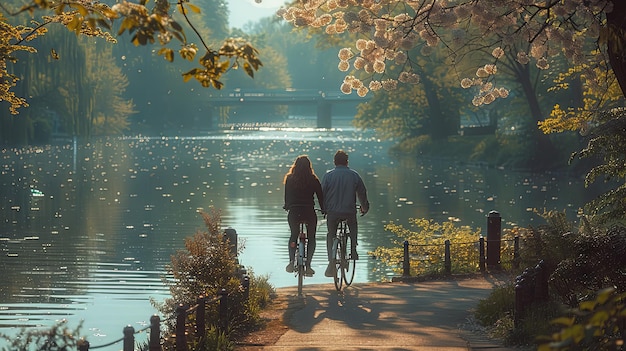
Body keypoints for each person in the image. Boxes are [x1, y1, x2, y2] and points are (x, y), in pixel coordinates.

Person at [321, 150, 370, 277]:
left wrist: (324, 209)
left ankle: (331, 262)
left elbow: (322, 194)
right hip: (349, 211)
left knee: (331, 235)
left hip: (332, 212)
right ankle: (353, 250)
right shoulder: (354, 175)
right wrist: (364, 207)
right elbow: (362, 193)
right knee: (353, 226)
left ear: (334, 162)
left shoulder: (328, 176)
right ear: (347, 162)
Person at [283, 155, 325, 276]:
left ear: (295, 166)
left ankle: (291, 261)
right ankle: (308, 265)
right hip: (309, 212)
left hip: (294, 212)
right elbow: (320, 197)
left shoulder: (290, 179)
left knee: (293, 235)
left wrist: (287, 205)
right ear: (309, 167)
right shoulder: (313, 179)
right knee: (311, 237)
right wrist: (323, 209)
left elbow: (287, 197)